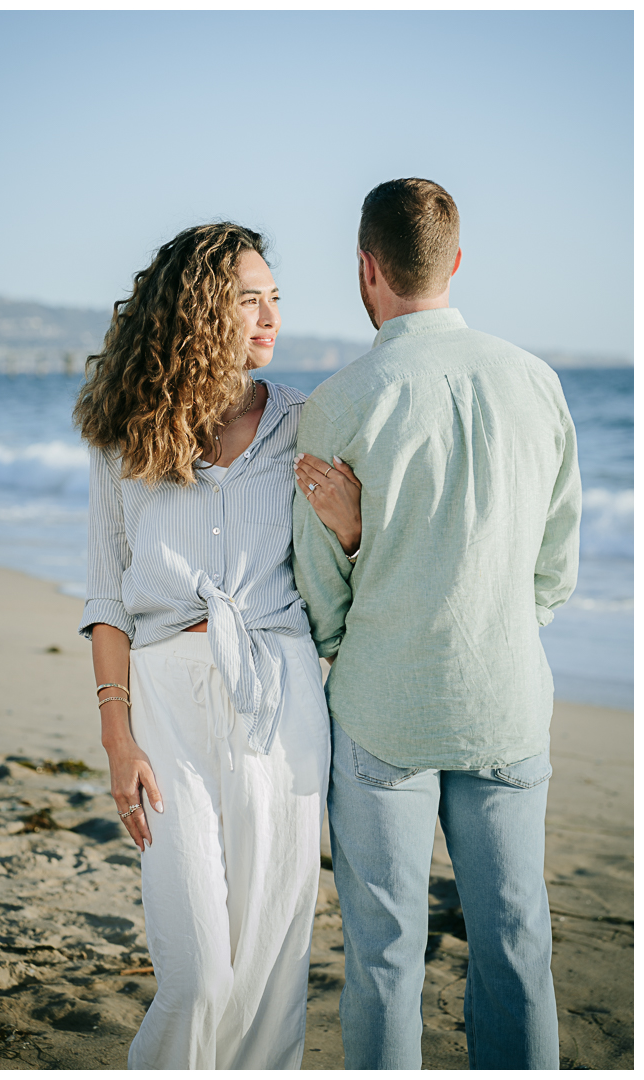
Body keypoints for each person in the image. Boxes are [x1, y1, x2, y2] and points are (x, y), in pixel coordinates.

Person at [292, 178, 581, 1070]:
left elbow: (320, 598)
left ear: (366, 268)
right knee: (517, 945)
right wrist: (491, 621)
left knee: (383, 959)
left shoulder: (339, 402)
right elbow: (555, 567)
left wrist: (374, 605)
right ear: (455, 263)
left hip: (383, 709)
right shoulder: (538, 383)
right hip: (503, 699)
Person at [72, 223, 362, 1070]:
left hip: (279, 698)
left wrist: (348, 534)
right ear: (199, 309)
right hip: (163, 710)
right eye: (247, 298)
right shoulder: (123, 435)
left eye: (275, 297)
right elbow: (105, 598)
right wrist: (116, 737)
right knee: (198, 974)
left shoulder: (307, 422)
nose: (269, 315)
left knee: (271, 973)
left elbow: (348, 579)